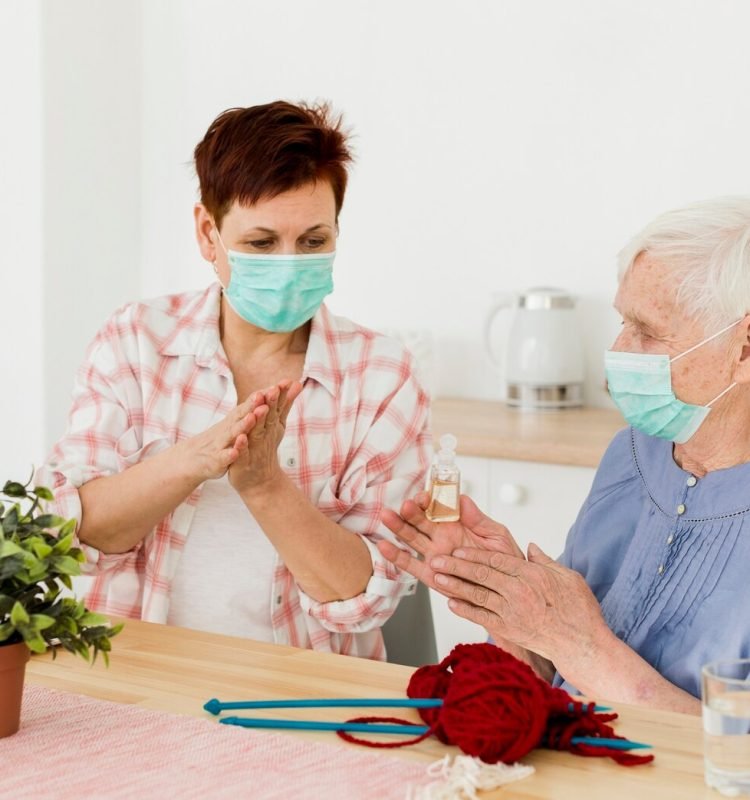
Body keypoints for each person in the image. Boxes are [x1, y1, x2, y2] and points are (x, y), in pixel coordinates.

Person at [37, 101, 430, 660]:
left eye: (313, 242)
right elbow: (77, 535)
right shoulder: (137, 341)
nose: (290, 264)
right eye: (262, 244)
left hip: (303, 696)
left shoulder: (381, 376)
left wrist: (266, 484)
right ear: (207, 234)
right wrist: (194, 460)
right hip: (137, 684)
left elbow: (365, 599)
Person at [380, 196, 750, 712]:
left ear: (744, 348)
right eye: (623, 322)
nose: (618, 351)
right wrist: (510, 600)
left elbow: (735, 758)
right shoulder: (632, 455)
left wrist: (576, 642)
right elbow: (558, 676)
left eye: (647, 331)